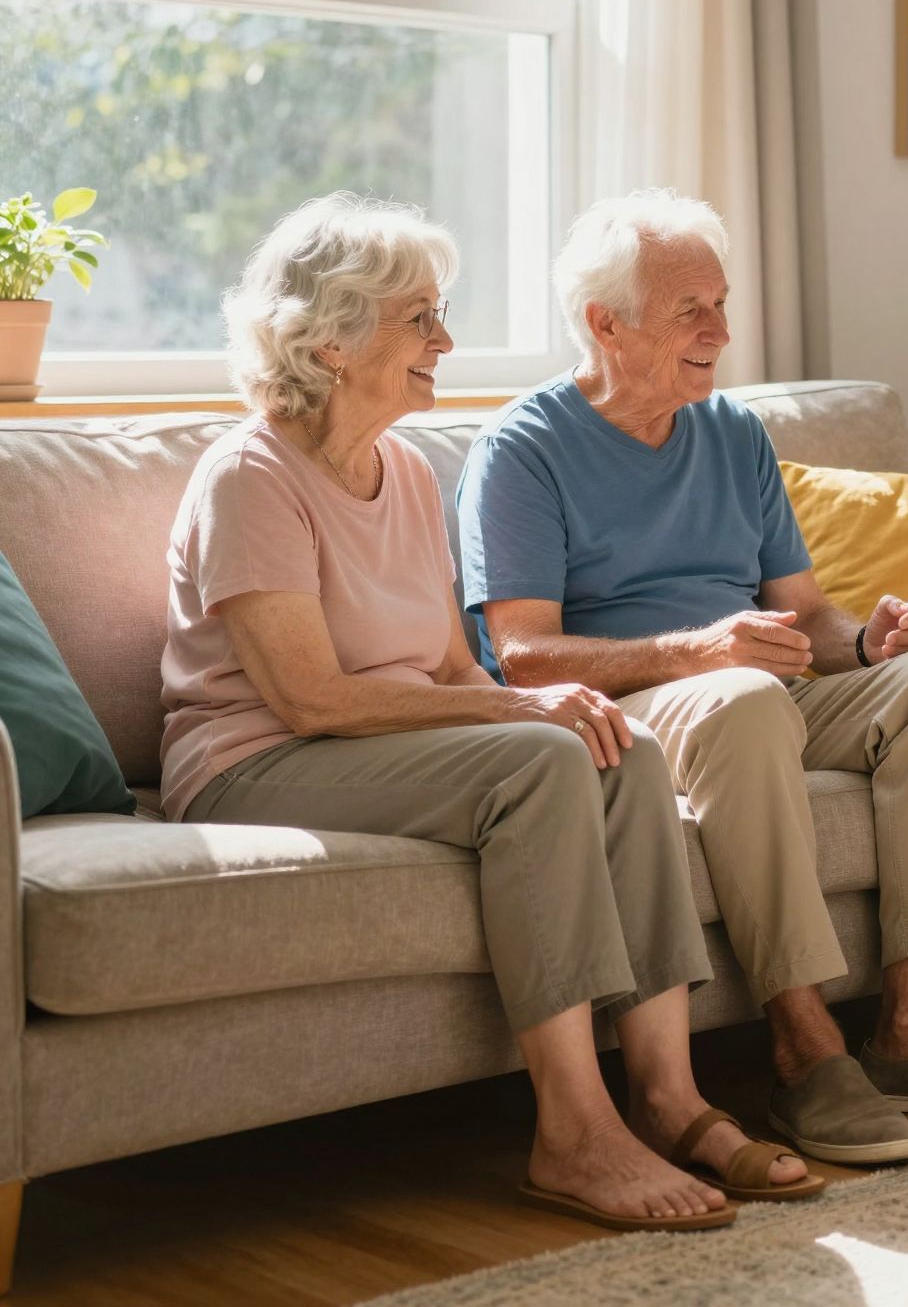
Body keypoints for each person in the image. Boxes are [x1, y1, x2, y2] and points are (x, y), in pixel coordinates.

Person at [161, 194, 821, 1234]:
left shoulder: (411, 473)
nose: (445, 341)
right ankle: (572, 1131)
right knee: (539, 763)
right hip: (256, 756)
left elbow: (443, 670)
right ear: (331, 340)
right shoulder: (250, 475)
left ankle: (668, 1094)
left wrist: (552, 706)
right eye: (418, 318)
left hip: (376, 740)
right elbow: (309, 696)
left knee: (620, 745)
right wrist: (522, 712)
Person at [457, 190, 908, 1167]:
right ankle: (804, 1048)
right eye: (693, 312)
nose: (722, 333)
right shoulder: (523, 450)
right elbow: (522, 653)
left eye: (721, 305)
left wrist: (866, 642)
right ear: (605, 322)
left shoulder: (731, 433)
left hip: (751, 683)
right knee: (743, 696)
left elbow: (803, 611)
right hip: (632, 701)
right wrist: (693, 651)